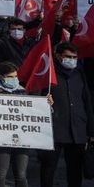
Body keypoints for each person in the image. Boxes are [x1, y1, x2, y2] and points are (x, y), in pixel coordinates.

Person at [38, 42, 94, 187]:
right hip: (54, 130)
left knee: (75, 170)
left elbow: (87, 102)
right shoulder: (49, 75)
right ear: (58, 56)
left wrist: (91, 130)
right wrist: (44, 100)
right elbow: (35, 98)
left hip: (77, 130)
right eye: (68, 57)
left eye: (74, 57)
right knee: (48, 168)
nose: (72, 60)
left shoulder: (79, 75)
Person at [0, 61, 31, 187]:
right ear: (1, 77)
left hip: (22, 139)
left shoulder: (23, 92)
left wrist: (47, 104)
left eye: (15, 76)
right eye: (10, 77)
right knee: (1, 173)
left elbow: (32, 114)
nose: (14, 79)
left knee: (21, 175)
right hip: (1, 139)